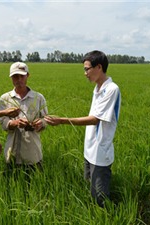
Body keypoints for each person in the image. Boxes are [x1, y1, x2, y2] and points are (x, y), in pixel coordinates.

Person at [44, 50, 121, 207]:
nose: (85, 73)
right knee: (90, 191)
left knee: (100, 198)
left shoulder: (111, 89)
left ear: (98, 67)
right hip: (89, 150)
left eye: (87, 69)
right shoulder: (98, 88)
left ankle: (108, 218)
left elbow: (94, 120)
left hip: (100, 152)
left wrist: (62, 120)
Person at [0, 62, 48, 173]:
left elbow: (46, 119)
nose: (19, 79)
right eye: (15, 76)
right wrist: (15, 123)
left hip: (33, 153)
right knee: (12, 186)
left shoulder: (38, 98)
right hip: (12, 152)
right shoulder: (5, 98)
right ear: (11, 77)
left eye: (22, 76)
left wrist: (41, 123)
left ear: (28, 76)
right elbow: (3, 122)